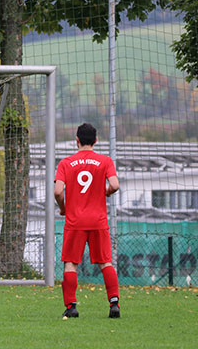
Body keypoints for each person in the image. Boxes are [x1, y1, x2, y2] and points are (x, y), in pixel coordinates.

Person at [54, 123, 121, 319]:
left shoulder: (66, 163)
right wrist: (106, 192)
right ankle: (114, 302)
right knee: (106, 263)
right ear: (96, 140)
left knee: (70, 264)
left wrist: (63, 208)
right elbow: (115, 185)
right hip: (98, 220)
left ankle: (71, 306)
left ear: (77, 140)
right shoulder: (105, 161)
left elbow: (58, 191)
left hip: (75, 221)